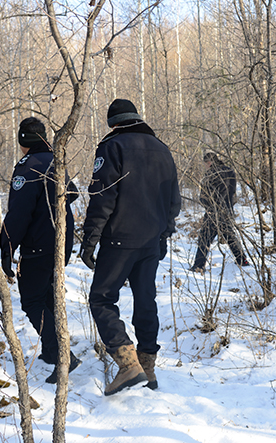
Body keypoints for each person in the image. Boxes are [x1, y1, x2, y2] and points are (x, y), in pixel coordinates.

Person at [80, 98, 181, 395]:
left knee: (101, 299)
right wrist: (164, 234)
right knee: (145, 299)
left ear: (114, 123)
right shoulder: (162, 149)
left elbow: (102, 197)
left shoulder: (112, 147)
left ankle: (128, 364)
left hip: (120, 238)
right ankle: (148, 367)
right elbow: (173, 200)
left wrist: (90, 240)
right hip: (151, 240)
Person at [0, 117, 80, 384]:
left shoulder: (28, 166)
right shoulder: (56, 160)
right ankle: (52, 350)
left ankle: (62, 354)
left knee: (33, 301)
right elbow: (73, 193)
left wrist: (7, 248)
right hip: (61, 242)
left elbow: (19, 214)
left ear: (23, 142)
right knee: (49, 298)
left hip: (39, 245)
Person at [189, 152, 248, 273]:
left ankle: (199, 266)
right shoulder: (230, 171)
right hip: (227, 210)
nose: (205, 166)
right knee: (230, 236)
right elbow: (233, 193)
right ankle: (242, 260)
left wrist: (207, 207)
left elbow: (204, 197)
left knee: (204, 238)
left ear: (209, 162)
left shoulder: (210, 174)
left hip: (213, 212)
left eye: (205, 163)